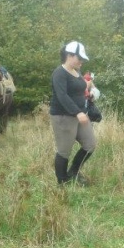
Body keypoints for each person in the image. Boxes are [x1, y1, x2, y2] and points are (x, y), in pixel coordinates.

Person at [50, 41, 97, 186]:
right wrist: (77, 112)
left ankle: (73, 172)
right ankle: (62, 183)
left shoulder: (77, 71)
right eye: (79, 58)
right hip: (63, 116)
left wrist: (90, 93)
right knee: (64, 151)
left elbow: (80, 88)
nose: (81, 61)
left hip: (80, 115)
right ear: (70, 56)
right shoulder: (59, 73)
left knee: (90, 144)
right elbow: (62, 96)